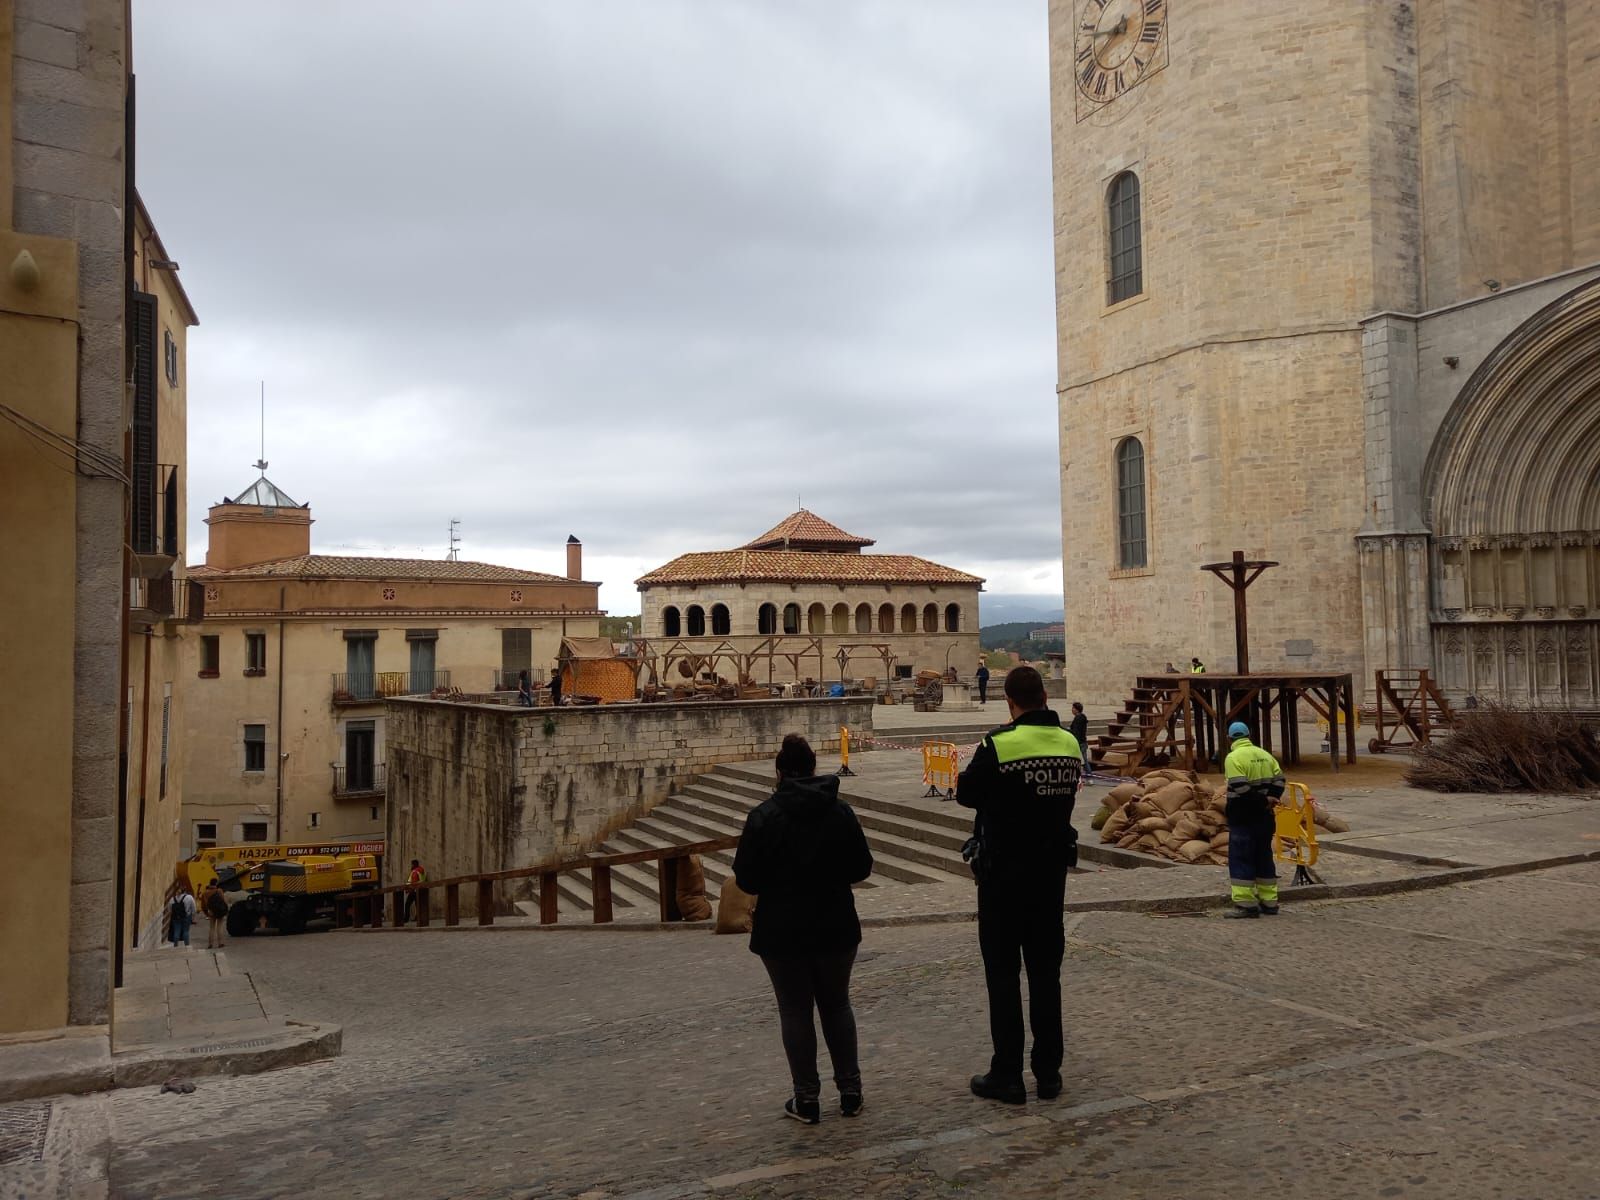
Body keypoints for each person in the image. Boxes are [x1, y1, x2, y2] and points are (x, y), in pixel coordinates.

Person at [955, 666, 1082, 1105]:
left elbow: (965, 792)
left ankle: (1006, 1074)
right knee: (1047, 975)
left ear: (1010, 702)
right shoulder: (1069, 744)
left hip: (1004, 880)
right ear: (1046, 696)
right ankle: (1048, 1073)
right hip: (1050, 880)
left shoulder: (998, 745)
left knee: (1003, 976)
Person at [733, 734, 874, 1125]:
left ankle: (807, 1098)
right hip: (835, 922)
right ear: (813, 768)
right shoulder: (840, 811)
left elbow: (746, 879)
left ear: (778, 772)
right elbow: (862, 867)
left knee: (795, 1011)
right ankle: (850, 1091)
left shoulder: (763, 817)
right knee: (837, 1005)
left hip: (782, 929)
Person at [1222, 721, 1285, 918]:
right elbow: (1280, 780)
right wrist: (1271, 798)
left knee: (1241, 858)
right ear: (1249, 735)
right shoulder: (1265, 755)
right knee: (1264, 857)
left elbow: (1240, 788)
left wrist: (1262, 800)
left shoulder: (1233, 758)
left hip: (1243, 817)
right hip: (1265, 817)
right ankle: (1270, 902)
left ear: (1230, 738)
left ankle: (1246, 905)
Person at [200, 878, 228, 948]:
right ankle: (220, 943)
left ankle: (210, 944)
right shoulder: (219, 891)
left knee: (212, 928)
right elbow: (223, 901)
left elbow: (203, 905)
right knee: (219, 927)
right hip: (219, 911)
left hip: (211, 912)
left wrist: (206, 913)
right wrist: (225, 910)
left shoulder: (205, 893)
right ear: (216, 883)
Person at [403, 859, 426, 924]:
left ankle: (407, 918)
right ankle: (417, 917)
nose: (412, 865)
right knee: (416, 904)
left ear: (414, 864)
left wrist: (408, 888)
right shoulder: (419, 870)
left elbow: (415, 881)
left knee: (409, 904)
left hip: (415, 890)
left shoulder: (416, 871)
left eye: (412, 864)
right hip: (416, 890)